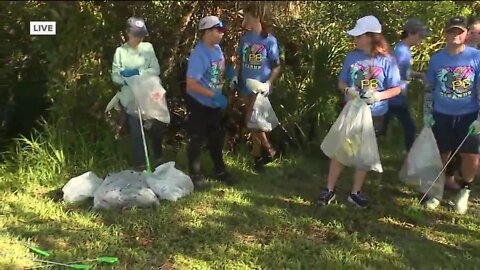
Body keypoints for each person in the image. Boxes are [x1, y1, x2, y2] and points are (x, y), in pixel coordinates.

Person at [316, 15, 401, 208]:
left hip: (375, 113)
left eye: (359, 36)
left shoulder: (388, 61)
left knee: (364, 153)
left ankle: (355, 192)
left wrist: (378, 96)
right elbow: (342, 81)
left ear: (371, 37)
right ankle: (329, 189)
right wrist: (347, 90)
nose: (355, 39)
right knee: (341, 149)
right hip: (352, 111)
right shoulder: (352, 57)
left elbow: (396, 88)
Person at [422, 16, 480, 214]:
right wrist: (427, 113)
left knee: (470, 155)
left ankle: (465, 190)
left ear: (466, 34)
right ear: (446, 33)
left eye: (459, 32)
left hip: (468, 114)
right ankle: (436, 191)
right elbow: (430, 88)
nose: (455, 35)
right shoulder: (437, 58)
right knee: (442, 153)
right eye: (452, 31)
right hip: (442, 113)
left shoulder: (475, 57)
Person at [185, 15, 237, 187]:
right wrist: (213, 95)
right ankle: (195, 175)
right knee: (197, 138)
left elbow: (217, 69)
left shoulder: (216, 49)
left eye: (222, 30)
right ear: (207, 32)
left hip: (214, 105)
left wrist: (228, 72)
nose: (222, 34)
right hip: (199, 103)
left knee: (216, 137)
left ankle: (219, 170)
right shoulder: (199, 55)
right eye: (218, 30)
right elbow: (191, 84)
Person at [111, 17, 166, 171]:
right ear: (128, 33)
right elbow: (115, 75)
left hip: (149, 97)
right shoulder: (120, 52)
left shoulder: (148, 48)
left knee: (156, 126)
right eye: (136, 35)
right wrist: (125, 79)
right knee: (137, 132)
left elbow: (155, 69)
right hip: (130, 99)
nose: (139, 38)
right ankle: (141, 166)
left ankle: (158, 157)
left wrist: (138, 73)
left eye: (141, 35)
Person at [231, 4, 282, 172]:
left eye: (247, 17)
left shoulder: (269, 41)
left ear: (256, 18)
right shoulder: (245, 39)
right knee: (254, 121)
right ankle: (257, 157)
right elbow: (239, 61)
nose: (245, 20)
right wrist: (235, 76)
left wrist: (269, 83)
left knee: (251, 120)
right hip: (246, 84)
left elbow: (276, 66)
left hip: (260, 87)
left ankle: (270, 150)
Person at [380, 18, 430, 151]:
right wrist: (400, 88)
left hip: (393, 96)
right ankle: (411, 158)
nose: (421, 39)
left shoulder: (402, 48)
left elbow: (404, 71)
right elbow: (394, 72)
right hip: (395, 97)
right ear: (411, 33)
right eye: (420, 35)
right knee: (410, 127)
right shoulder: (402, 51)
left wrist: (419, 75)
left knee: (381, 128)